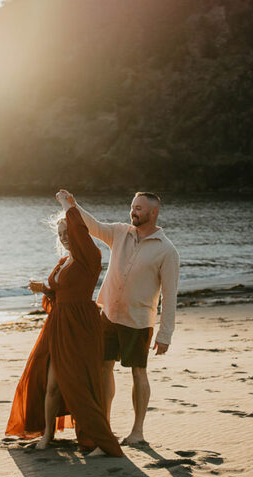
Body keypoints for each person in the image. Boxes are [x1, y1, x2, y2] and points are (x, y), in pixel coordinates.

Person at [5, 192, 123, 457]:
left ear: (78, 231)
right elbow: (60, 293)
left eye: (68, 231)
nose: (64, 236)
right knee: (50, 383)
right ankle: (47, 435)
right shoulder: (64, 262)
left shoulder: (90, 256)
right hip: (57, 326)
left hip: (80, 326)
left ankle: (98, 439)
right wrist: (45, 289)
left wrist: (68, 205)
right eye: (60, 234)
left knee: (80, 384)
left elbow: (81, 229)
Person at [60, 189, 180, 446]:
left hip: (138, 320)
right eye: (132, 207)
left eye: (139, 208)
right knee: (104, 367)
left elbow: (170, 296)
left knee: (138, 372)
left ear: (153, 213)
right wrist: (73, 205)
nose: (133, 212)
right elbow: (92, 226)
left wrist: (165, 334)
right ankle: (105, 427)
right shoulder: (119, 232)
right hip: (109, 315)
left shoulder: (167, 251)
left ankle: (137, 432)